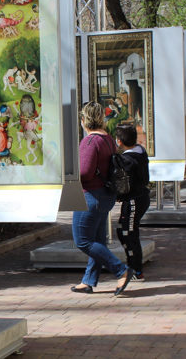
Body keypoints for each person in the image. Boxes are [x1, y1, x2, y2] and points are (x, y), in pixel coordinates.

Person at [70, 101, 133, 296]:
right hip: (105, 196)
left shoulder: (89, 141)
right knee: (98, 240)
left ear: (83, 120)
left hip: (90, 195)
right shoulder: (108, 140)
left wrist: (70, 174)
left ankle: (121, 270)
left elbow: (86, 172)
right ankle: (88, 281)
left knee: (83, 241)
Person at [114, 125, 150, 281]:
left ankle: (136, 270)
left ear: (119, 141)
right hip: (140, 197)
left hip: (134, 200)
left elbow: (123, 183)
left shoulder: (127, 159)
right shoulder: (141, 152)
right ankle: (133, 265)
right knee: (123, 230)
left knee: (129, 233)